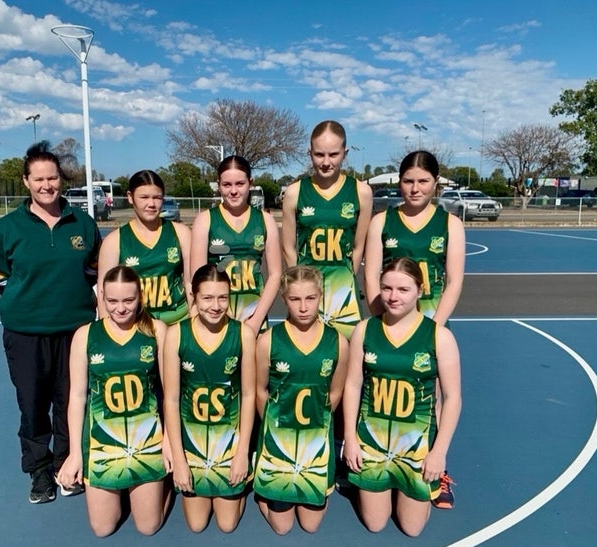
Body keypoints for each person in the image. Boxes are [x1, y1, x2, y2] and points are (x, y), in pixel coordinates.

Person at [0, 141, 102, 503]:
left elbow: (93, 271)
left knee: (70, 403)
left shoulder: (82, 223)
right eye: (39, 179)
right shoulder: (7, 228)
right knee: (33, 405)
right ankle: (39, 472)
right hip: (26, 334)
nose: (46, 185)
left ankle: (67, 467)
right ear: (26, 181)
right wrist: (30, 305)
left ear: (61, 180)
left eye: (52, 178)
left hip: (75, 333)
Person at [363, 150, 465, 508]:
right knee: (377, 391)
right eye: (408, 181)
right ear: (399, 182)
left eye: (423, 181)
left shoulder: (450, 224)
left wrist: (431, 330)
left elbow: (453, 281)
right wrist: (382, 319)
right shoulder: (381, 222)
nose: (415, 188)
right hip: (388, 322)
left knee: (432, 398)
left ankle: (438, 467)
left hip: (431, 323)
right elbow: (372, 276)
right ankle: (377, 459)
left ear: (435, 184)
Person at [342, 257, 461, 536]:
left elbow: (452, 397)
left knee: (412, 528)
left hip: (415, 445)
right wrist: (350, 439)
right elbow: (352, 385)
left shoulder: (439, 337)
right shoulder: (365, 330)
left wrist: (438, 453)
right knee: (375, 523)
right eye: (386, 288)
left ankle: (422, 482)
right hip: (373, 441)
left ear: (420, 290)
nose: (393, 297)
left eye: (403, 290)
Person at [57, 266, 170, 536]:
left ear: (140, 297)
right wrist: (75, 454)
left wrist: (168, 441)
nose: (120, 308)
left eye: (128, 301)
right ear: (101, 299)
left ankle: (162, 486)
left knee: (148, 527)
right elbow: (77, 397)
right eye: (112, 301)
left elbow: (169, 393)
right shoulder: (85, 335)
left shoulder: (156, 330)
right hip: (103, 443)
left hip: (146, 440)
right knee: (103, 528)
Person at [253, 266, 348, 535]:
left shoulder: (338, 342)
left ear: (320, 296)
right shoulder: (269, 340)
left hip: (315, 438)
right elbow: (260, 390)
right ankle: (263, 490)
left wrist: (319, 420)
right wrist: (271, 427)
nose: (303, 307)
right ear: (284, 300)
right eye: (295, 299)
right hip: (278, 438)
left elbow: (335, 391)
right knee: (282, 528)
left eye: (310, 298)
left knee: (310, 525)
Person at [163, 264, 257, 533]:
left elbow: (249, 395)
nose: (216, 306)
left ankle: (244, 479)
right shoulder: (177, 334)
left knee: (227, 525)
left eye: (223, 298)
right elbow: (170, 399)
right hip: (192, 440)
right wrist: (179, 461)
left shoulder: (243, 334)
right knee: (197, 524)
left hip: (228, 440)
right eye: (207, 298)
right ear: (193, 297)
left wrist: (242, 454)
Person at [281, 120, 372, 339]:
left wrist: (345, 277)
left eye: (333, 154)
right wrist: (301, 283)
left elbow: (359, 246)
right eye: (319, 155)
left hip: (343, 292)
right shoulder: (295, 192)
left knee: (346, 357)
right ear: (309, 152)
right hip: (307, 293)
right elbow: (287, 246)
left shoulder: (361, 192)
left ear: (345, 153)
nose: (326, 162)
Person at [190, 155, 281, 334]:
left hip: (253, 312)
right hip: (216, 313)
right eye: (227, 185)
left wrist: (256, 320)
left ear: (250, 183)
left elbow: (276, 274)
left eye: (240, 184)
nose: (233, 191)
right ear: (219, 185)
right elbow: (197, 278)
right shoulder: (205, 220)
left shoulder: (265, 220)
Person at [98, 169, 191, 325]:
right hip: (136, 324)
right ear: (130, 197)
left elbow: (191, 282)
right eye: (144, 197)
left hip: (177, 320)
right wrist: (107, 330)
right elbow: (104, 291)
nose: (151, 204)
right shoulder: (114, 240)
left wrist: (193, 321)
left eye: (157, 198)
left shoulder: (181, 232)